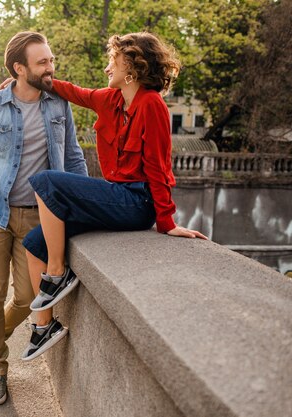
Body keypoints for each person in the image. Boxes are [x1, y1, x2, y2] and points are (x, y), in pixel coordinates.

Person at [11, 32, 208, 361]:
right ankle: (44, 325)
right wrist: (33, 79)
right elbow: (73, 92)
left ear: (130, 67)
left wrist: (167, 222)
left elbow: (158, 168)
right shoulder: (110, 99)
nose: (106, 68)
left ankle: (57, 274)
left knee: (46, 181)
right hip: (116, 196)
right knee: (34, 243)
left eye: (112, 62)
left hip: (136, 203)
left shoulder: (152, 106)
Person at [0, 31, 87, 405]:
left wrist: (84, 205)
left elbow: (73, 157)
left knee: (30, 297)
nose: (51, 68)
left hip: (38, 218)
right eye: (43, 62)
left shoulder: (59, 105)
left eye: (51, 60)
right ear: (19, 68)